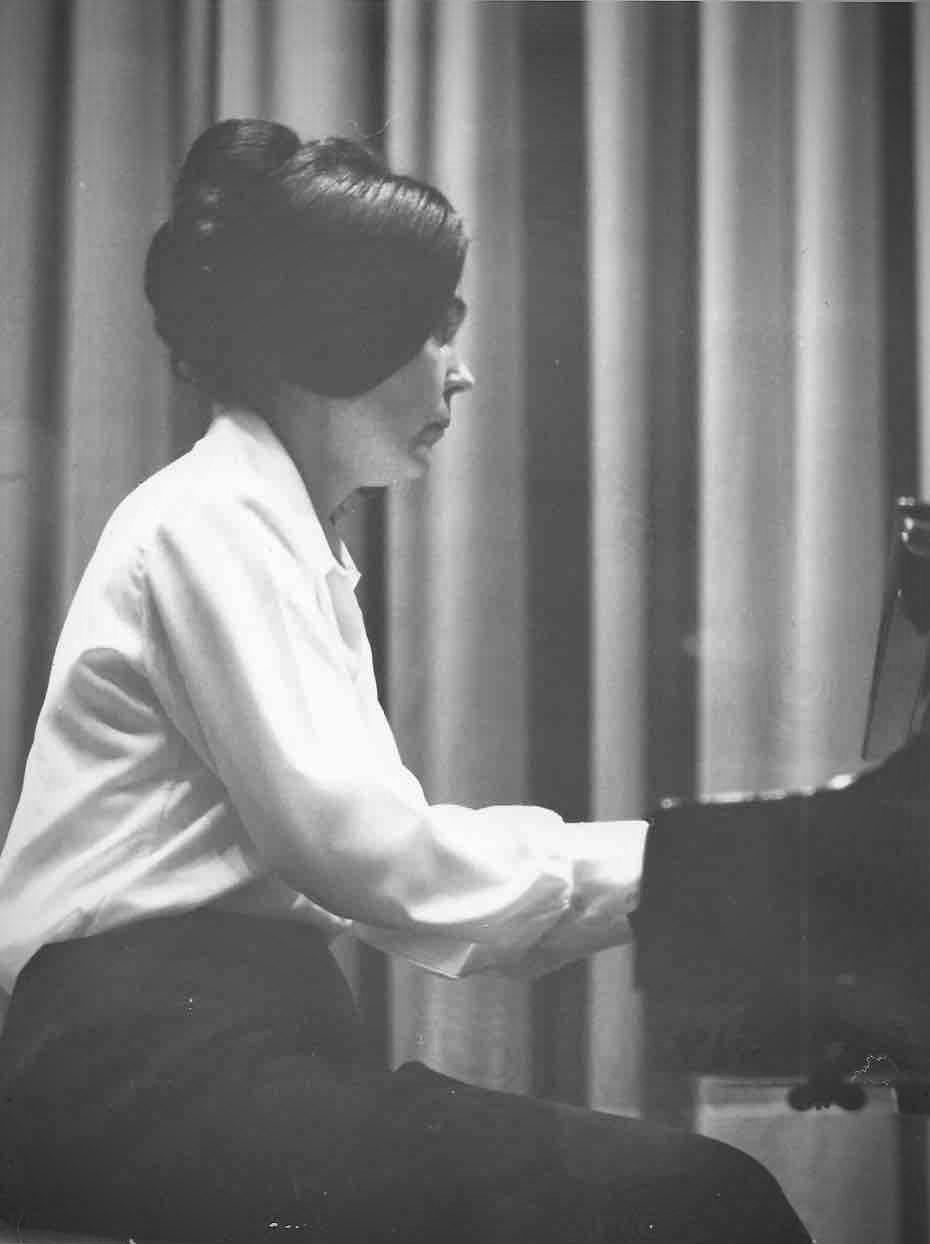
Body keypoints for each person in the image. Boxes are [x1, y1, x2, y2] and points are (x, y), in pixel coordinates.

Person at [0, 119, 812, 1244]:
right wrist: (696, 865)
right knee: (707, 1202)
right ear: (342, 334)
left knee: (697, 1195)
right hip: (142, 1076)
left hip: (210, 1061)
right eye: (435, 330)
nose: (462, 370)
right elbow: (377, 856)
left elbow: (382, 868)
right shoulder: (208, 522)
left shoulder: (273, 531)